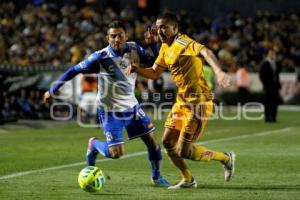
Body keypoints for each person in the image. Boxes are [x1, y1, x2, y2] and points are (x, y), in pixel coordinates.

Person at [43, 20, 169, 187]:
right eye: (113, 36)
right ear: (107, 38)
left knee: (152, 141)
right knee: (116, 153)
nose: (116, 39)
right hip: (109, 110)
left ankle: (156, 177)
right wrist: (52, 89)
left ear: (126, 36)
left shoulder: (134, 48)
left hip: (131, 107)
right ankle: (94, 144)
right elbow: (74, 70)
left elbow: (156, 62)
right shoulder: (100, 57)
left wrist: (153, 45)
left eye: (120, 35)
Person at [126, 12, 235, 189]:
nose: (159, 30)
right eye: (158, 26)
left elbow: (206, 52)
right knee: (168, 143)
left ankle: (225, 158)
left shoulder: (182, 42)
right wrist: (136, 68)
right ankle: (188, 179)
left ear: (174, 28)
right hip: (181, 103)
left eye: (164, 26)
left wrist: (219, 71)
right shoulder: (164, 47)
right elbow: (154, 73)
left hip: (199, 103)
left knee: (184, 151)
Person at [259, 49, 281, 122]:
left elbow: (277, 75)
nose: (272, 55)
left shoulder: (275, 63)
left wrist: (278, 84)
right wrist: (266, 84)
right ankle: (267, 117)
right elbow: (261, 75)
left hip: (275, 86)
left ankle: (273, 117)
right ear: (268, 54)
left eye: (273, 54)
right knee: (268, 102)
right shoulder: (265, 63)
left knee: (274, 102)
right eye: (271, 54)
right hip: (268, 86)